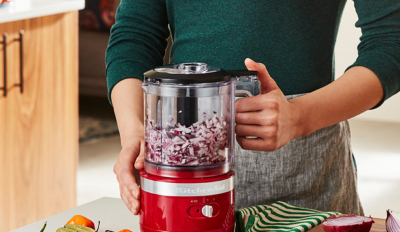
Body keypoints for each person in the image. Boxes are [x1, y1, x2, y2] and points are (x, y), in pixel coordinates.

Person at [106, 1, 400, 216]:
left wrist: (298, 117)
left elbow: (391, 42)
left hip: (304, 171)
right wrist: (134, 132)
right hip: (181, 164)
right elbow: (134, 35)